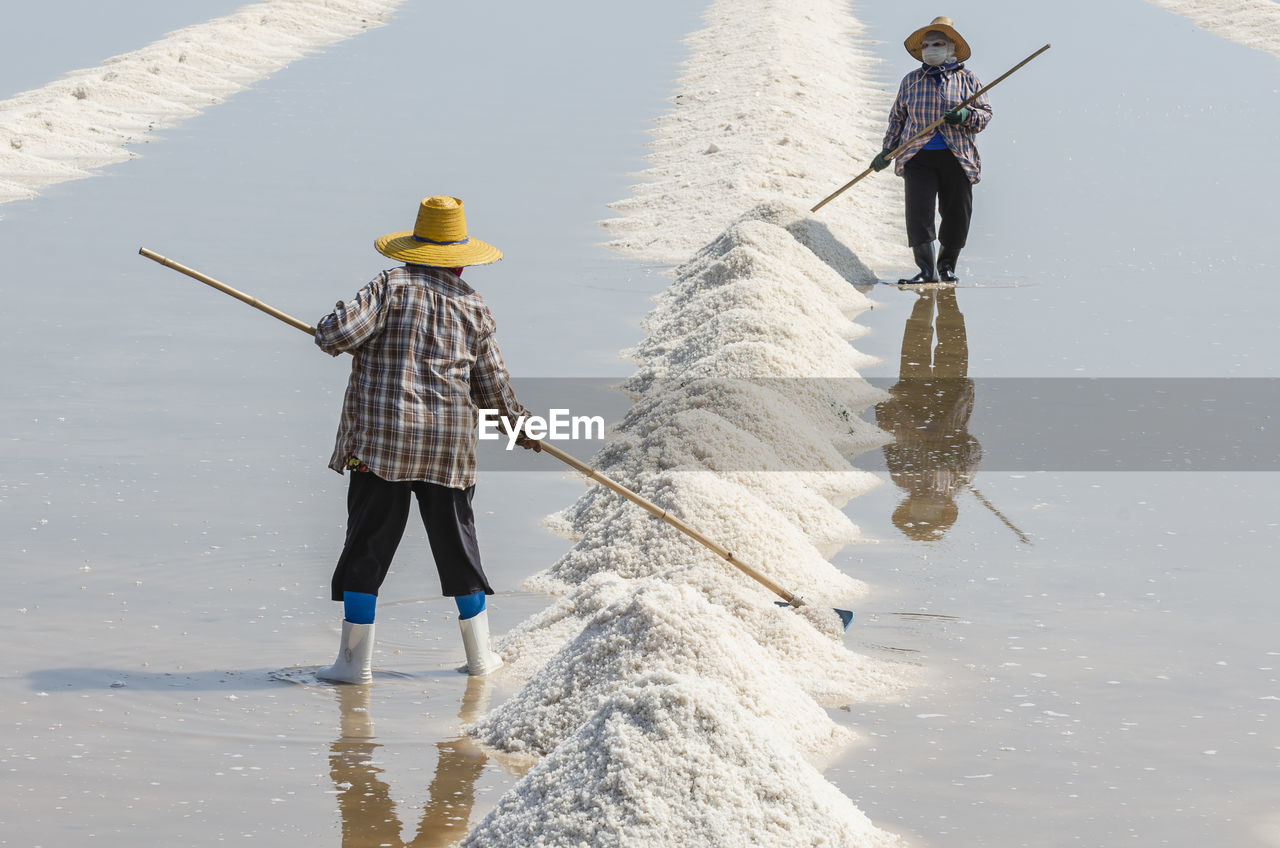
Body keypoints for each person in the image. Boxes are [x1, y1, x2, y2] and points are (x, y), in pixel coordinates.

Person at [313, 195, 540, 684]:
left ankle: (353, 666)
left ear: (413, 248)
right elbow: (492, 388)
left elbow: (333, 335)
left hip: (380, 446)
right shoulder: (473, 306)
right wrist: (519, 426)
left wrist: (333, 321)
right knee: (459, 548)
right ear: (459, 257)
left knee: (366, 549)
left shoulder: (388, 287)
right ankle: (481, 658)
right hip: (447, 448)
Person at [871, 16, 992, 284]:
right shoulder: (911, 81)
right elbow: (897, 119)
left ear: (950, 48)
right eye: (926, 45)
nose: (930, 49)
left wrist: (965, 116)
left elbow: (984, 115)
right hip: (918, 156)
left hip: (956, 156)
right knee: (919, 214)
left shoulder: (968, 80)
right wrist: (886, 151)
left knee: (957, 212)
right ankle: (927, 271)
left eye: (937, 44)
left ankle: (947, 266)